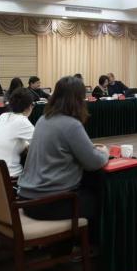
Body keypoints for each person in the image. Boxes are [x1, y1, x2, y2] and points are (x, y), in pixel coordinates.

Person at [18, 76, 109, 223]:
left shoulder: (43, 119)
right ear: (78, 99)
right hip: (48, 202)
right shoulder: (71, 124)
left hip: (27, 198)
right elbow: (94, 162)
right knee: (104, 200)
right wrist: (104, 152)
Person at [0, 88, 35, 177]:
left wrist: (26, 145)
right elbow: (41, 146)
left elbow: (9, 140)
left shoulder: (3, 116)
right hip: (9, 176)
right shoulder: (22, 121)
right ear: (29, 106)